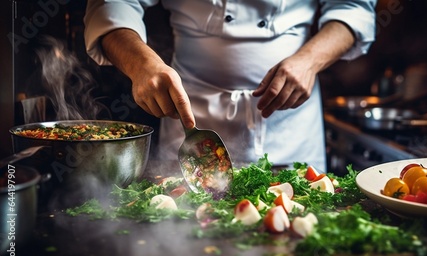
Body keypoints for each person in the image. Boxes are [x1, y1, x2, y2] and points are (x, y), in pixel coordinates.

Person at [84, 0, 377, 172]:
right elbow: (111, 4)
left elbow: (353, 7)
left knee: (292, 244)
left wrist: (310, 61)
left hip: (289, 128)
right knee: (182, 243)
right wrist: (140, 65)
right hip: (190, 117)